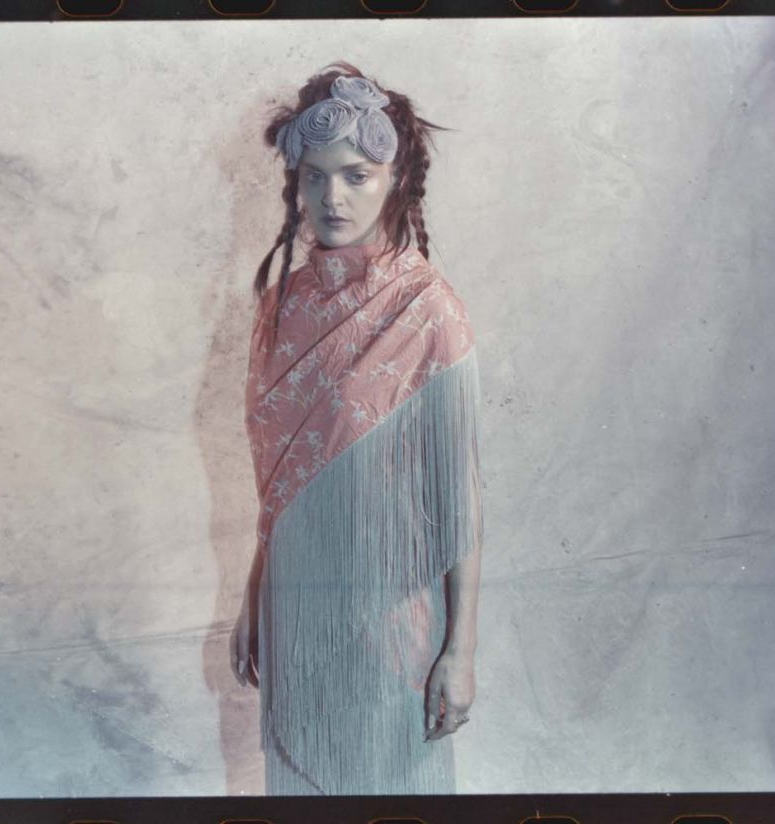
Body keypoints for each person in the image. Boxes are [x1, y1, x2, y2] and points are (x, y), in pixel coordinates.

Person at [230, 62, 485, 795]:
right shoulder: (282, 305)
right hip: (295, 602)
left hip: (389, 614)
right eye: (314, 177)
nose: (332, 198)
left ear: (395, 180)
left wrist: (460, 652)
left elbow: (461, 502)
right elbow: (282, 480)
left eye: (357, 175)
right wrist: (254, 591)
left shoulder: (428, 310)